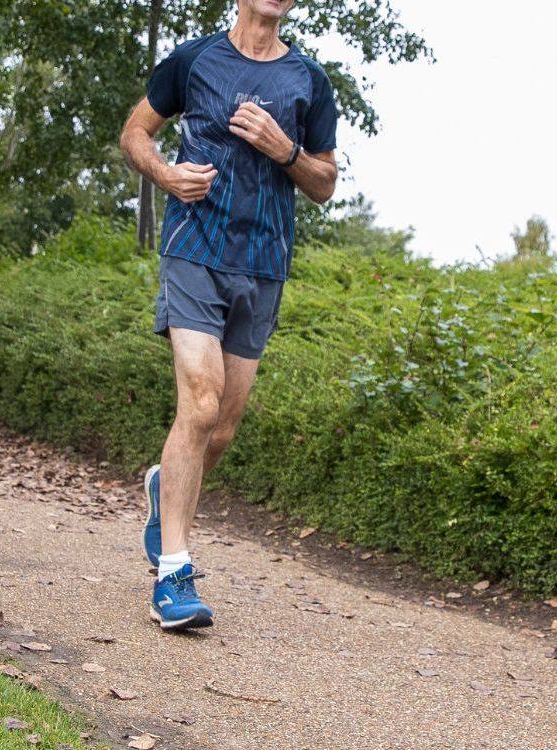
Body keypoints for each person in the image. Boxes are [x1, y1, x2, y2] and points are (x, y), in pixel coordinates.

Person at [117, 0, 339, 631]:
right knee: (202, 401)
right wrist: (165, 175)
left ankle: (167, 488)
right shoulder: (193, 60)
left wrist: (284, 147)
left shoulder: (309, 81)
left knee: (223, 428)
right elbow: (136, 132)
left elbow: (324, 182)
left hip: (264, 263)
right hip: (193, 250)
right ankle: (174, 572)